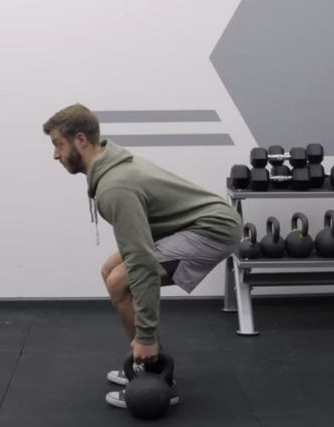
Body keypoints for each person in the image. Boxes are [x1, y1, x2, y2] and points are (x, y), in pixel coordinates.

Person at [42, 103, 242, 409]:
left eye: (58, 144)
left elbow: (142, 265)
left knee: (122, 281)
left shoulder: (115, 186)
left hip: (213, 229)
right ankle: (148, 360)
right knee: (110, 270)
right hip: (186, 224)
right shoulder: (109, 160)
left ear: (80, 140)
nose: (55, 154)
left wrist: (145, 336)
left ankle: (153, 370)